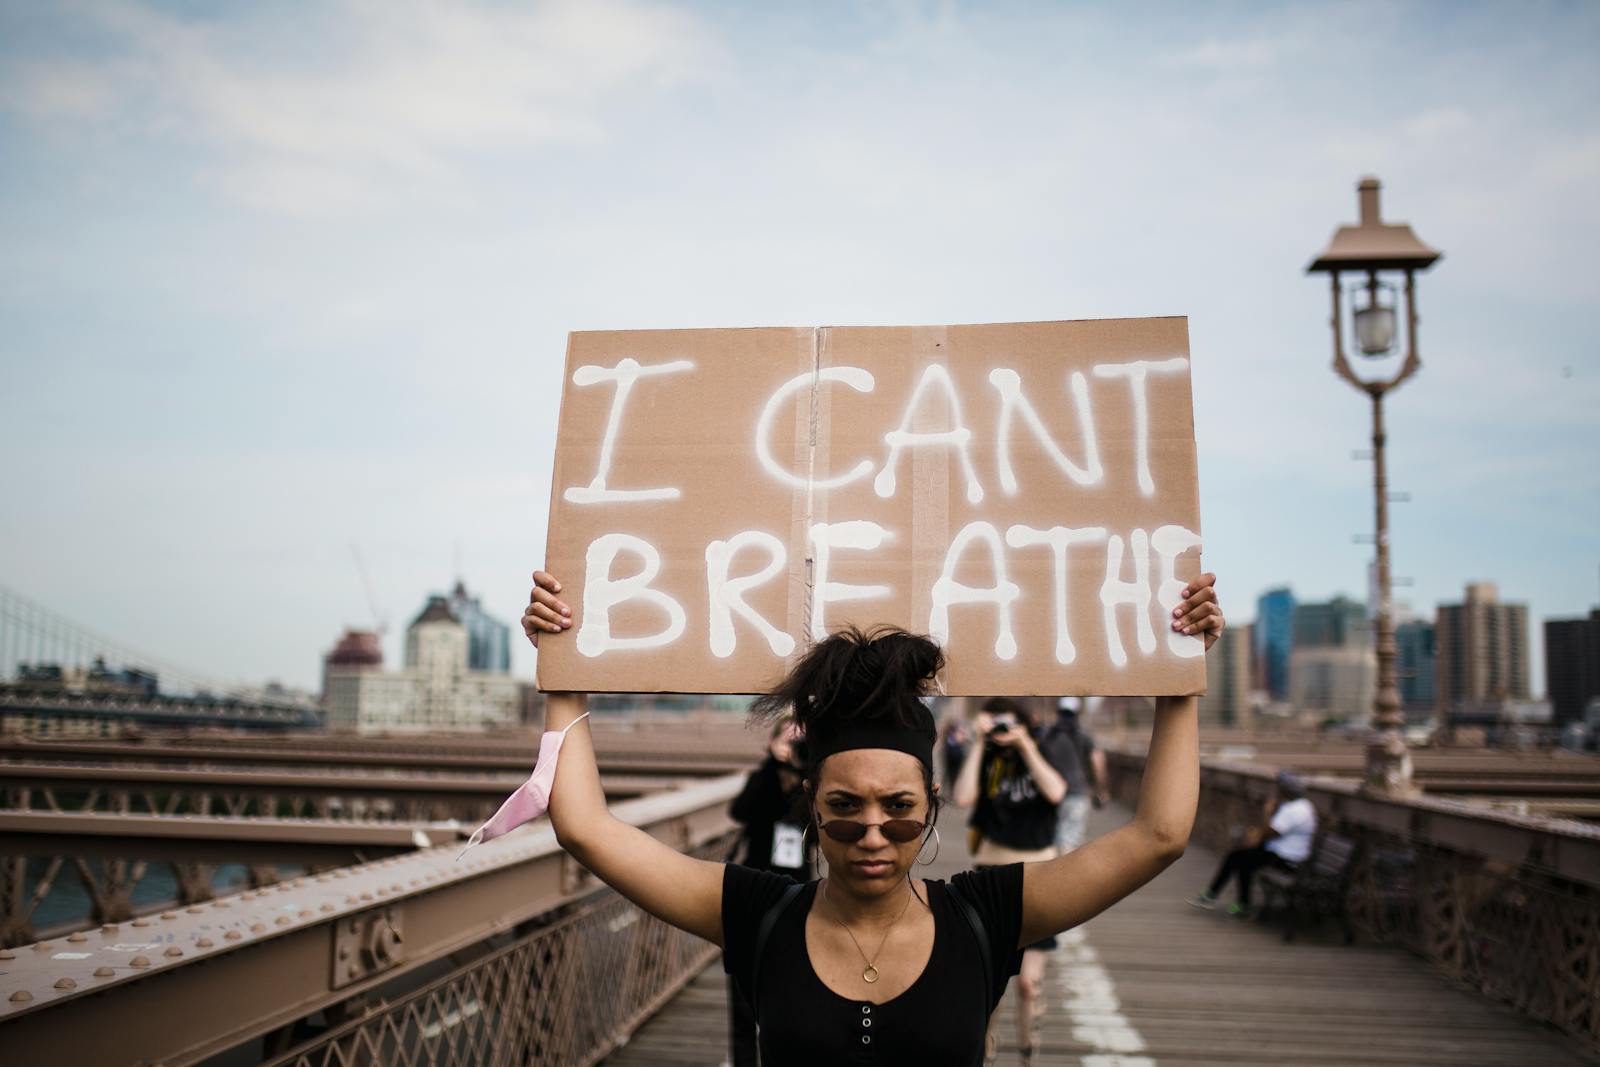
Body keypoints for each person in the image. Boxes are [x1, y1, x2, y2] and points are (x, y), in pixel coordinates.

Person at [521, 567, 1224, 1066]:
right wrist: (563, 664)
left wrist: (1179, 676)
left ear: (933, 805)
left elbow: (1158, 834)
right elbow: (585, 827)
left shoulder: (985, 914)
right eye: (844, 809)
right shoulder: (756, 912)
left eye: (900, 809)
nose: (874, 834)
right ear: (812, 809)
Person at [953, 696, 1077, 1064]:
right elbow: (963, 798)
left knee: (1027, 983)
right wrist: (979, 743)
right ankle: (987, 1054)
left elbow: (1056, 791)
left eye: (1008, 722)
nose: (1002, 730)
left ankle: (1027, 1051)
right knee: (993, 986)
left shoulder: (1046, 746)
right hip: (991, 876)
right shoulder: (985, 755)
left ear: (1025, 722)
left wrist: (1024, 744)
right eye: (994, 723)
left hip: (1039, 876)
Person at [725, 715, 811, 1065]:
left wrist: (802, 776)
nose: (793, 746)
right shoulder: (762, 779)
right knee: (743, 990)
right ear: (774, 741)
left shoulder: (814, 784)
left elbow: (819, 829)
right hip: (754, 890)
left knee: (789, 985)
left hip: (798, 894)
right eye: (787, 739)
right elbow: (739, 811)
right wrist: (770, 769)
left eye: (801, 740)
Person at [1189, 771, 1317, 918]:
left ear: (1284, 790)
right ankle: (1221, 897)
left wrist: (1267, 812)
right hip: (1281, 852)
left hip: (1287, 859)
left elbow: (1270, 832)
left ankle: (1228, 900)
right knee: (1237, 857)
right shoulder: (1303, 806)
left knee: (1241, 861)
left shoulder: (1295, 810)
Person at [1047, 697, 1109, 855]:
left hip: (1050, 794)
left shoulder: (1048, 735)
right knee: (1070, 840)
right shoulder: (1085, 736)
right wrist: (1100, 788)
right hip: (1078, 793)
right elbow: (1097, 762)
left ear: (1058, 712)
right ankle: (1066, 876)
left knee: (1053, 838)